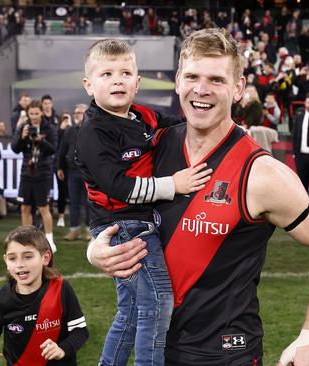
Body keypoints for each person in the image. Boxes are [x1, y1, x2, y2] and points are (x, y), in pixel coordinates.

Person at [87, 28, 309, 365]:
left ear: (238, 88)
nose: (201, 89)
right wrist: (96, 251)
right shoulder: (154, 146)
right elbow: (113, 209)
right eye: (192, 76)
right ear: (178, 80)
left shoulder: (262, 173)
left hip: (226, 354)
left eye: (217, 79)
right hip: (157, 351)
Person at [76, 38, 212, 366]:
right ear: (88, 85)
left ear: (138, 82)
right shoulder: (94, 132)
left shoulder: (142, 115)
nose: (118, 80)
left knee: (133, 311)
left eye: (126, 72)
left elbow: (176, 125)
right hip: (122, 225)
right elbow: (118, 187)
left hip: (134, 223)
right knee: (159, 303)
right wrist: (172, 185)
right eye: (107, 74)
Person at [0, 225, 88, 365]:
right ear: (6, 261)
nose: (19, 264)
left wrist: (62, 349)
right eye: (12, 258)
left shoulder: (61, 289)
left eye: (28, 257)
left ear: (45, 258)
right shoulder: (0, 300)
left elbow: (80, 331)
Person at [12, 100, 58, 252]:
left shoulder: (49, 127)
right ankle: (27, 239)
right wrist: (22, 137)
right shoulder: (23, 126)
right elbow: (15, 149)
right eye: (31, 114)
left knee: (43, 208)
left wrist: (41, 140)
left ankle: (50, 240)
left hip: (43, 172)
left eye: (36, 113)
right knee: (25, 207)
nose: (34, 117)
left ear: (42, 112)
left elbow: (53, 149)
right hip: (26, 173)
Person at [57, 104, 90, 241]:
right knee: (73, 202)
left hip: (89, 173)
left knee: (90, 203)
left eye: (79, 112)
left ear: (86, 113)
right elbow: (62, 149)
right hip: (72, 172)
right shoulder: (70, 130)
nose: (76, 114)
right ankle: (74, 230)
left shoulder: (92, 129)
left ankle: (90, 231)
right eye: (75, 112)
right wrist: (60, 167)